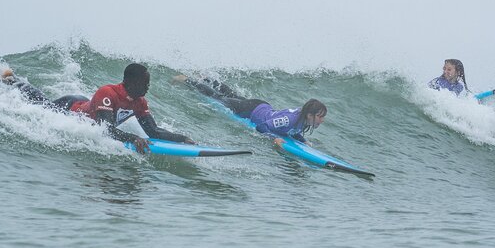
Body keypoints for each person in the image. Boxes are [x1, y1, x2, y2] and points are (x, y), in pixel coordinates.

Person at [54, 63, 194, 153]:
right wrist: (133, 138)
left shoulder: (140, 102)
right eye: (145, 83)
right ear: (132, 83)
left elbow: (153, 131)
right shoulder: (108, 93)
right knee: (38, 103)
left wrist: (182, 138)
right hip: (68, 107)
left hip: (86, 104)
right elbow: (106, 129)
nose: (148, 87)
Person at [173, 75, 326, 147]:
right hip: (250, 110)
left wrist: (303, 140)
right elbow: (263, 126)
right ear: (309, 115)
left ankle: (209, 78)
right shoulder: (289, 119)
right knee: (217, 97)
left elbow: (293, 131)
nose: (322, 120)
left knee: (232, 95)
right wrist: (274, 138)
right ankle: (187, 80)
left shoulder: (301, 120)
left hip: (260, 106)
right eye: (320, 117)